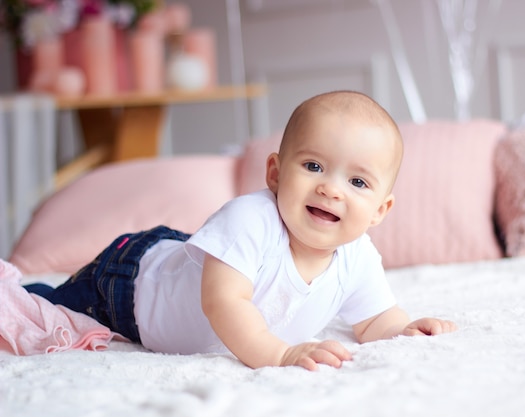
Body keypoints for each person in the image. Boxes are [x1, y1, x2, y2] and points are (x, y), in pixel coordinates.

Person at [26, 91, 457, 370]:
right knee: (43, 311)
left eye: (358, 182)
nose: (330, 188)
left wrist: (404, 330)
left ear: (380, 210)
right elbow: (222, 302)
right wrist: (280, 354)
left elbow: (375, 318)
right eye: (313, 166)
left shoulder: (358, 255)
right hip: (130, 283)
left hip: (192, 259)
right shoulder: (250, 220)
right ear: (274, 172)